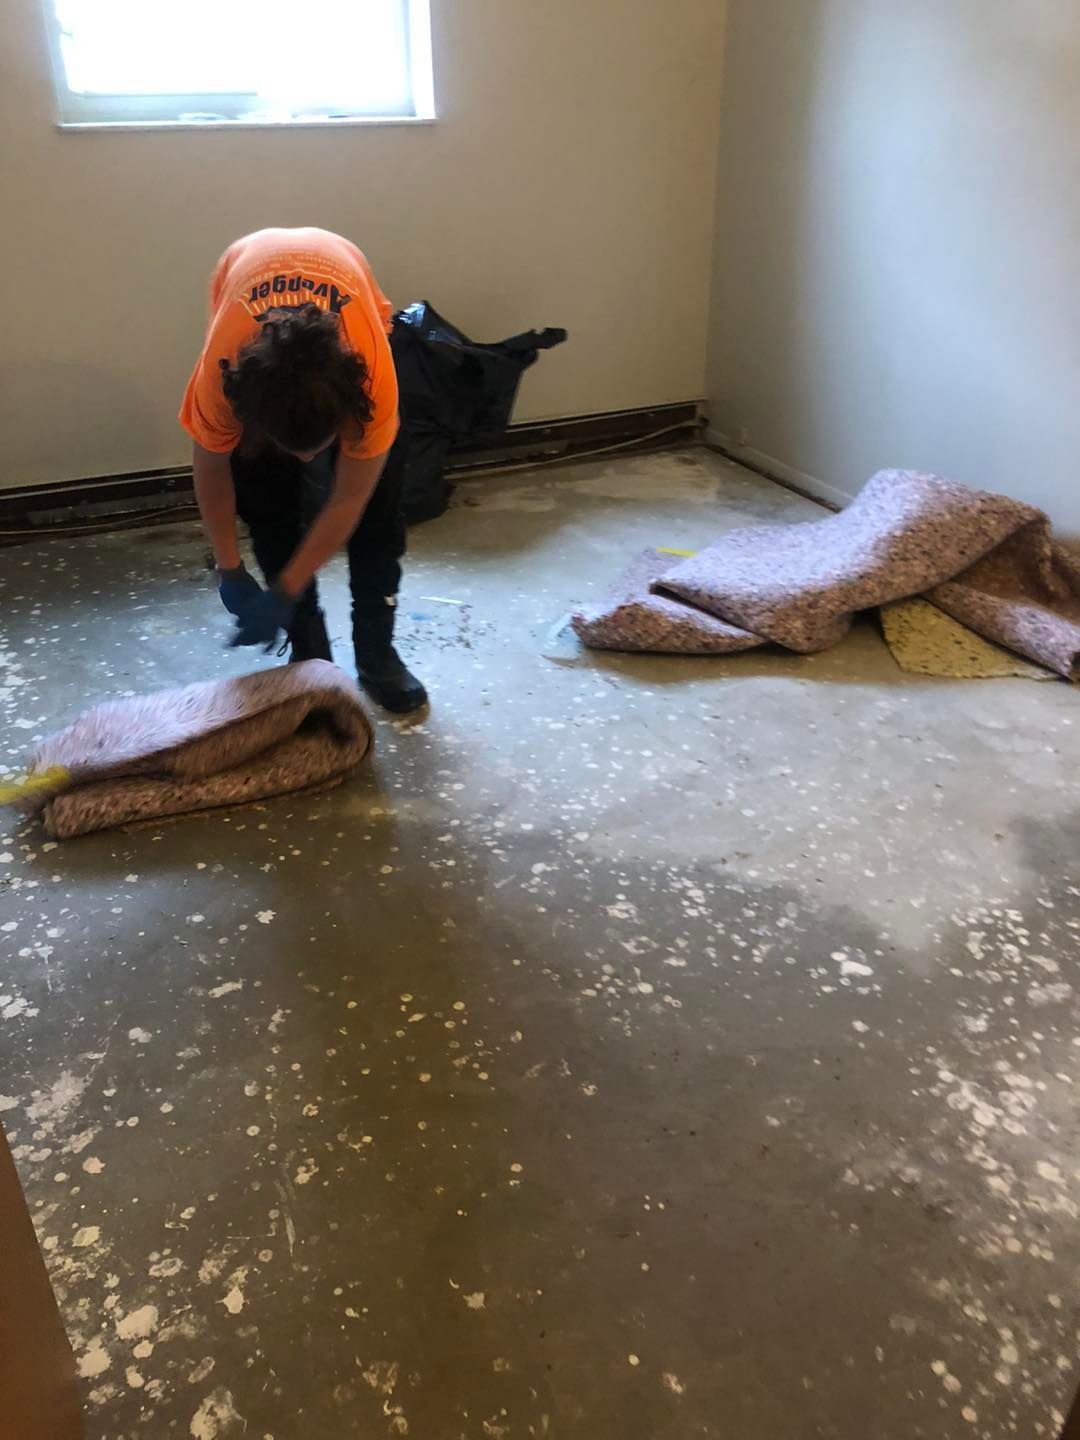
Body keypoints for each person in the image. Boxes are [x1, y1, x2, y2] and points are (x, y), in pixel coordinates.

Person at [179, 226, 427, 714]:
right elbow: (211, 467)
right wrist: (229, 569)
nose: (311, 463)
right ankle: (311, 652)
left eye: (321, 446)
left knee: (379, 519)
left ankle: (377, 653)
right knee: (267, 504)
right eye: (293, 448)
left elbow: (348, 500)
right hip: (246, 269)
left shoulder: (374, 384)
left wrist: (284, 588)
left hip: (346, 286)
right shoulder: (222, 374)